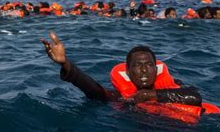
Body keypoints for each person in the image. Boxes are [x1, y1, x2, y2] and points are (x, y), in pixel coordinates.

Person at [41, 32, 202, 105]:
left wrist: (149, 95)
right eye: (137, 66)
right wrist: (65, 63)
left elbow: (195, 97)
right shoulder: (121, 97)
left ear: (156, 69)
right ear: (128, 72)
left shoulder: (173, 86)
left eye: (149, 65)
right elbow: (92, 89)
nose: (144, 70)